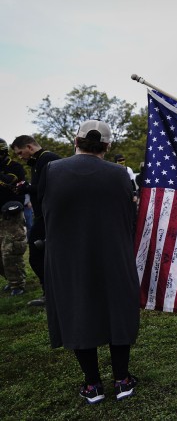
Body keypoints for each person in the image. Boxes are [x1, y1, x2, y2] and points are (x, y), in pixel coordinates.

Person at [39, 120, 139, 404]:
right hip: (113, 252)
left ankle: (92, 384)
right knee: (117, 309)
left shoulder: (51, 170)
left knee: (77, 309)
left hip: (67, 257)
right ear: (107, 146)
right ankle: (122, 379)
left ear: (76, 140)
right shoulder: (120, 174)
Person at [10, 135, 61, 307]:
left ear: (30, 147)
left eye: (20, 152)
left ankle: (52, 293)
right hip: (44, 215)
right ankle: (51, 292)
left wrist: (26, 188)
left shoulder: (48, 158)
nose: (20, 157)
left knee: (37, 256)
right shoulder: (38, 162)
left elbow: (50, 188)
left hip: (49, 216)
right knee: (43, 255)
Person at [0, 138, 26, 295]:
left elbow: (13, 183)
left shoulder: (15, 167)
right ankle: (10, 279)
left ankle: (18, 284)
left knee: (10, 251)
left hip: (11, 215)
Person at [1, 201, 27, 296]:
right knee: (2, 257)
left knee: (10, 255)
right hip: (3, 216)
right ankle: (11, 280)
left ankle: (18, 284)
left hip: (11, 211)